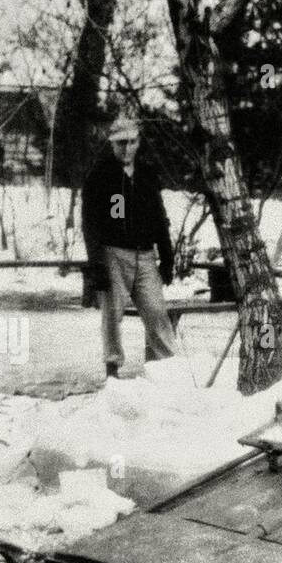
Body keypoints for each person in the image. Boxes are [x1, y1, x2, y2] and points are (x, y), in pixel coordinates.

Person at [81, 116, 177, 379]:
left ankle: (168, 369)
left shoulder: (147, 174)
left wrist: (167, 255)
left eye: (132, 142)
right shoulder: (100, 175)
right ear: (112, 144)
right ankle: (112, 370)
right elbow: (90, 223)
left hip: (145, 255)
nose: (126, 149)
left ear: (138, 142)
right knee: (112, 315)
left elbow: (159, 216)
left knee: (157, 311)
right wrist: (96, 261)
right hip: (113, 254)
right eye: (121, 143)